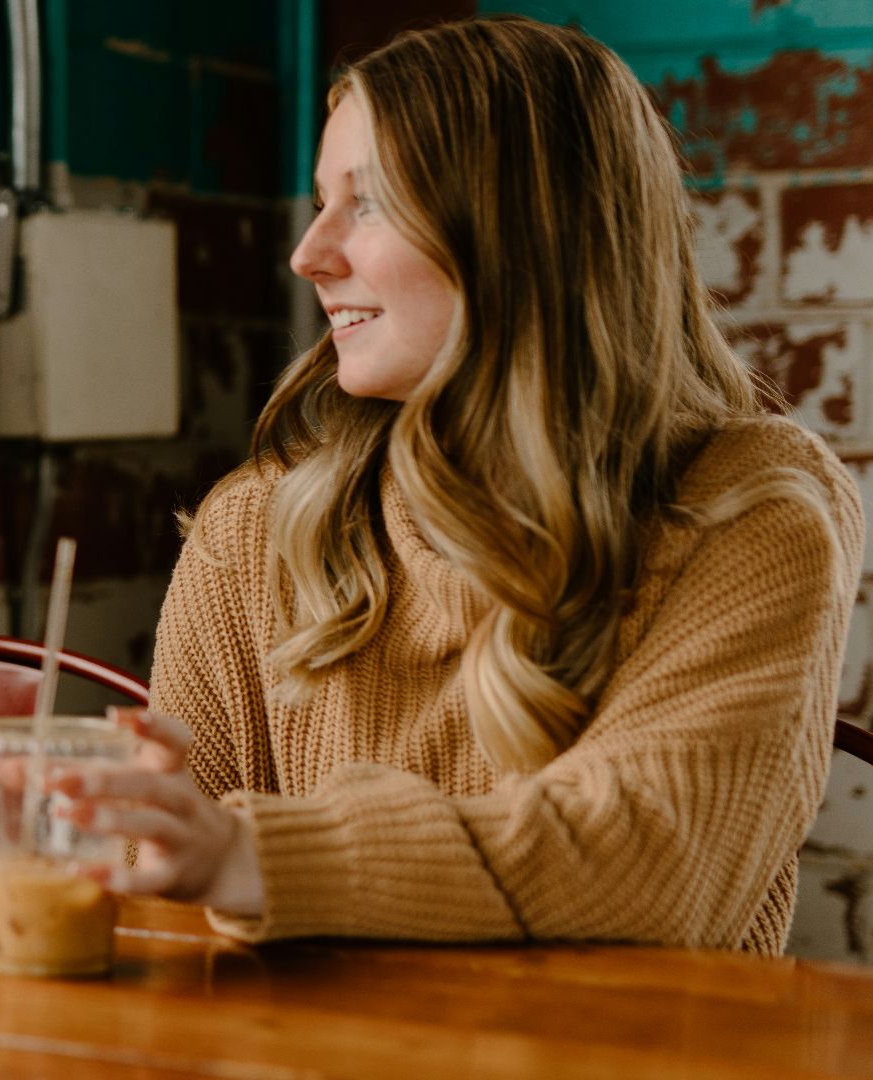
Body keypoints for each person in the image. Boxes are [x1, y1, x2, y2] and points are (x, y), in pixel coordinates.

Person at [56, 17, 862, 952]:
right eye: (321, 203)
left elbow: (648, 864)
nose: (309, 254)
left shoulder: (753, 511)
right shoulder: (253, 529)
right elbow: (172, 916)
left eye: (367, 204)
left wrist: (252, 853)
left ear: (528, 231)